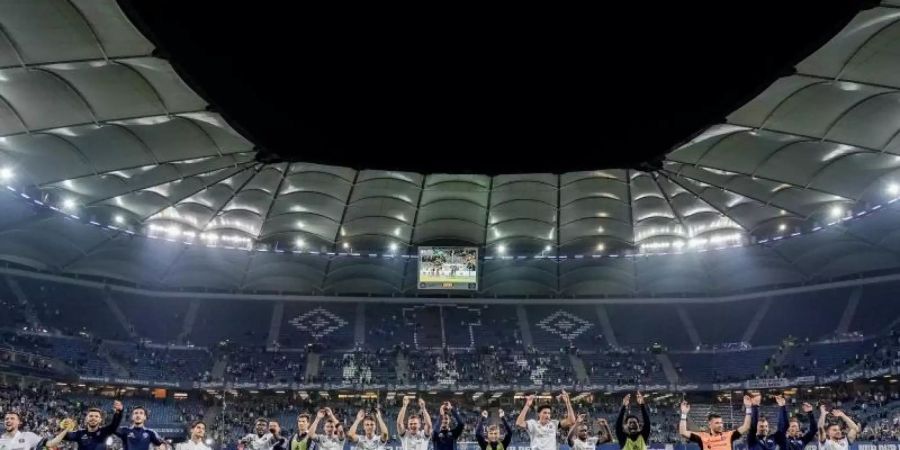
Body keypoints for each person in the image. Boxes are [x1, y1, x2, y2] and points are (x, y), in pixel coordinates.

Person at [679, 395, 753, 450]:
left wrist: (749, 408)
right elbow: (683, 432)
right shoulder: (702, 437)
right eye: (717, 423)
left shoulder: (729, 435)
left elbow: (746, 426)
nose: (720, 425)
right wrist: (684, 414)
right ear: (710, 424)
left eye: (721, 423)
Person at [47, 400, 124, 450]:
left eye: (96, 416)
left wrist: (119, 413)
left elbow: (114, 424)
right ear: (86, 418)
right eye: (91, 416)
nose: (93, 418)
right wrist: (61, 427)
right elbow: (61, 436)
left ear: (100, 420)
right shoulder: (79, 433)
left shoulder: (105, 432)